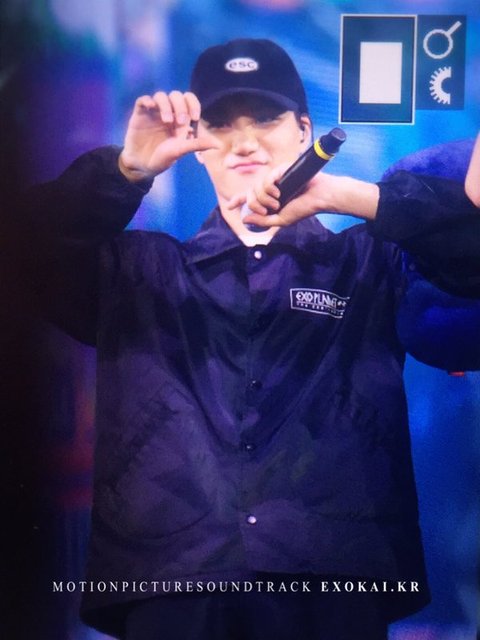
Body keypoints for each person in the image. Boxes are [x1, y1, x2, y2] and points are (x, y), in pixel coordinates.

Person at [16, 39, 480, 640]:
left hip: (335, 578)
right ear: (195, 144)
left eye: (265, 118)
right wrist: (124, 171)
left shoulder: (369, 263)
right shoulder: (137, 272)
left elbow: (468, 259)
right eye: (220, 124)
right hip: (172, 581)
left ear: (305, 130)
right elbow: (20, 251)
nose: (244, 142)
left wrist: (353, 197)